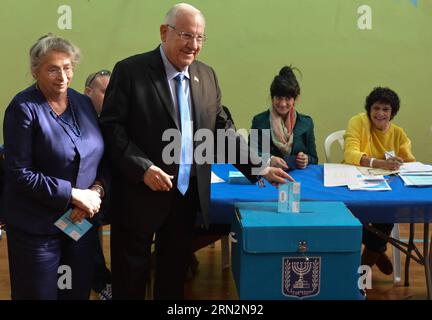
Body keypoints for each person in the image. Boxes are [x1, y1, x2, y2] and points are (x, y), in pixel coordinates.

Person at [99, 3, 291, 300]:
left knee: (173, 275)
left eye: (200, 38)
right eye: (187, 35)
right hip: (139, 196)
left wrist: (259, 166)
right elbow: (112, 130)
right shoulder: (130, 71)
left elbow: (221, 131)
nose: (194, 45)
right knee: (131, 277)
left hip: (186, 196)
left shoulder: (207, 76)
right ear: (164, 32)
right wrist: (143, 168)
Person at [2, 34, 106, 299]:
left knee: (76, 293)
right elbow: (19, 174)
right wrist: (73, 194)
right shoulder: (23, 108)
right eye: (53, 69)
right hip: (36, 230)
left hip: (79, 223)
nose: (62, 76)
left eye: (68, 67)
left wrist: (95, 191)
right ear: (35, 71)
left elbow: (100, 157)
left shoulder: (83, 103)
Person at [344, 86, 415, 275]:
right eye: (376, 108)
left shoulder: (399, 133)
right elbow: (350, 153)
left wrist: (400, 163)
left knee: (387, 212)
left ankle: (361, 270)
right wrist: (380, 163)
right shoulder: (358, 122)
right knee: (351, 214)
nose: (380, 113)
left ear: (392, 113)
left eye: (386, 109)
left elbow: (409, 162)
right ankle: (377, 251)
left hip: (385, 186)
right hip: (353, 181)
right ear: (369, 109)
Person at [250, 66, 318, 171]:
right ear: (272, 98)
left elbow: (314, 158)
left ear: (295, 99)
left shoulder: (306, 123)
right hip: (268, 176)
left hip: (297, 177)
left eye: (288, 99)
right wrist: (270, 159)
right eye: (278, 98)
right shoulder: (259, 121)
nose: (283, 104)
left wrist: (306, 159)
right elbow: (251, 154)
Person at [84, 70, 113, 300]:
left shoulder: (118, 120)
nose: (110, 96)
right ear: (88, 92)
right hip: (89, 191)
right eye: (105, 91)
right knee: (86, 218)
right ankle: (101, 281)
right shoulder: (77, 120)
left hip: (117, 188)